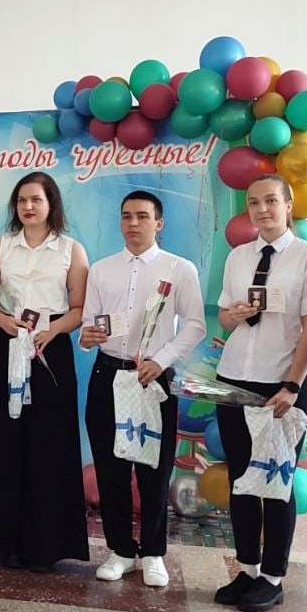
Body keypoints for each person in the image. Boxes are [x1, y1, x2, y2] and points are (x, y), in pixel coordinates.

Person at [212, 173, 307, 612]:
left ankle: (273, 578)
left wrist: (293, 384)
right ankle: (247, 569)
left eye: (271, 201)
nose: (262, 209)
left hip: (281, 384)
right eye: (254, 202)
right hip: (235, 377)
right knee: (242, 480)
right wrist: (236, 313)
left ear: (288, 205)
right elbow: (225, 318)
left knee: (277, 483)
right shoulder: (238, 256)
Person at [79, 191, 205, 586]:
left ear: (158, 223)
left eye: (142, 216)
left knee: (154, 469)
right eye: (126, 216)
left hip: (152, 377)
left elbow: (195, 325)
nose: (133, 223)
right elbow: (88, 326)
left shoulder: (179, 269)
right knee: (110, 467)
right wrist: (88, 337)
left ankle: (153, 553)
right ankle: (120, 551)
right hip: (108, 375)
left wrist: (162, 360)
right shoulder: (101, 269)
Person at [0, 172, 90, 572]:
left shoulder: (71, 250)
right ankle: (2, 540)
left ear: (51, 204)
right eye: (22, 200)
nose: (28, 207)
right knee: (5, 441)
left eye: (36, 199)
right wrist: (2, 321)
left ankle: (46, 545)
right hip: (9, 344)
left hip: (50, 348)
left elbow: (79, 308)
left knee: (49, 444)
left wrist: (52, 330)